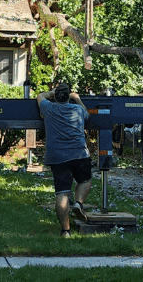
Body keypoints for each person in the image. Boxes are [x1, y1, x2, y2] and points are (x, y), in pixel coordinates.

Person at [36, 82, 91, 238]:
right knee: (85, 181)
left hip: (58, 157)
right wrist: (77, 98)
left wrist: (51, 93)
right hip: (79, 154)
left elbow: (40, 96)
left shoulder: (48, 108)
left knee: (62, 194)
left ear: (56, 97)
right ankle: (78, 203)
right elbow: (87, 115)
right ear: (68, 97)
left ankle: (66, 231)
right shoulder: (78, 109)